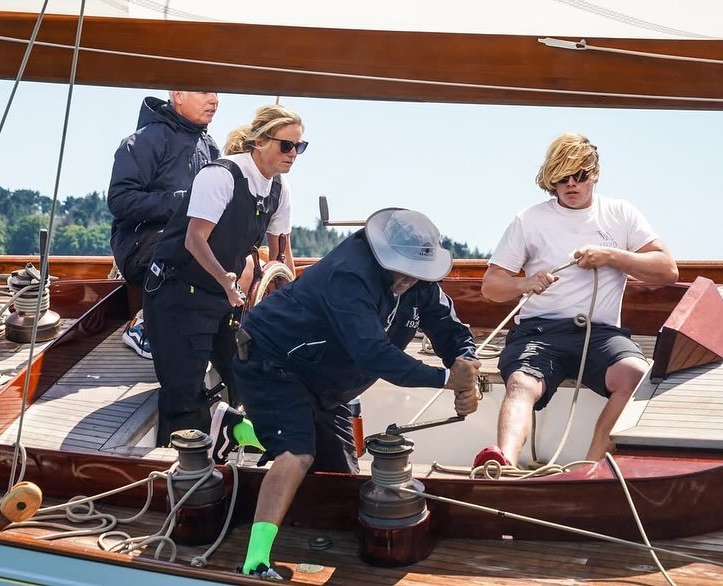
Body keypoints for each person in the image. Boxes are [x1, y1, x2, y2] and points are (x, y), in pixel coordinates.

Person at [220, 208, 481, 578]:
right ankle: (255, 562)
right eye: (403, 269)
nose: (409, 279)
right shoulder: (349, 275)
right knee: (297, 454)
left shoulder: (420, 282)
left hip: (329, 382)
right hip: (273, 360)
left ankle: (237, 430)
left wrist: (467, 370)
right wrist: (445, 379)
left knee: (341, 481)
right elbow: (374, 354)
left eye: (418, 272)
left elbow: (452, 332)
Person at [477, 133, 678, 468]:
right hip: (539, 332)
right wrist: (526, 283)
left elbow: (667, 269)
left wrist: (612, 256)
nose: (571, 184)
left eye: (580, 175)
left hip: (600, 335)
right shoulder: (529, 220)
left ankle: (589, 470)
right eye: (562, 177)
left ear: (594, 175)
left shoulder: (621, 213)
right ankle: (503, 464)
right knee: (521, 384)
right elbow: (491, 287)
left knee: (636, 376)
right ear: (550, 180)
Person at [143, 104, 303, 447]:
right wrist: (225, 281)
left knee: (251, 375)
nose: (293, 154)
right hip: (177, 294)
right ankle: (182, 468)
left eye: (299, 147)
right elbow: (194, 239)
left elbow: (280, 256)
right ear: (260, 142)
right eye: (286, 145)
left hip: (225, 297)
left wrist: (296, 308)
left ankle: (235, 442)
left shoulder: (279, 189)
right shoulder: (221, 176)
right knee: (184, 394)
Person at [107, 91, 220, 360]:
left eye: (217, 93)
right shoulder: (143, 141)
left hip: (186, 241)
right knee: (188, 244)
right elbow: (120, 200)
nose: (214, 100)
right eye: (205, 92)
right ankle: (144, 324)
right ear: (178, 95)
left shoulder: (210, 147)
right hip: (141, 246)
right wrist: (183, 202)